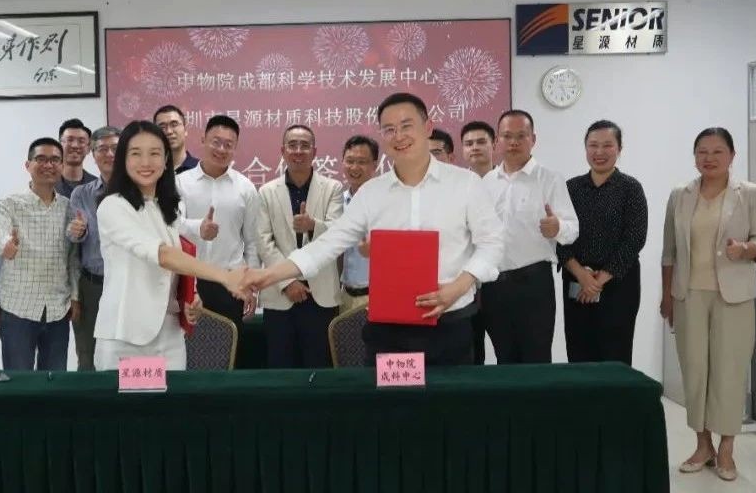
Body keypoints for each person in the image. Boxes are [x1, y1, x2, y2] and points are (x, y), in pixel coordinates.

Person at [247, 93, 504, 366]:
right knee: (388, 395)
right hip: (388, 329)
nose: (398, 136)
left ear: (428, 127)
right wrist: (269, 275)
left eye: (406, 125)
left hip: (450, 324)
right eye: (389, 129)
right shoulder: (372, 193)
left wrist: (459, 286)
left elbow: (492, 244)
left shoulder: (465, 184)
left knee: (446, 395)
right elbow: (328, 244)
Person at [93, 121, 249, 371]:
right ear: (123, 159)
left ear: (166, 159)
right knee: (130, 399)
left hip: (171, 336)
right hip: (127, 335)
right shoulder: (113, 206)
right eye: (136, 153)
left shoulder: (167, 208)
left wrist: (192, 295)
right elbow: (163, 255)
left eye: (155, 153)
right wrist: (225, 276)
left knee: (171, 398)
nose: (146, 162)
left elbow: (180, 257)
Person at [662, 127, 756, 482]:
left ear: (732, 156)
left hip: (734, 297)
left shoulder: (749, 193)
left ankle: (726, 448)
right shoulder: (680, 195)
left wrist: (747, 249)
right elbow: (669, 252)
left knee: (729, 371)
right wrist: (666, 296)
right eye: (702, 152)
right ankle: (702, 444)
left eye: (717, 152)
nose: (709, 158)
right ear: (694, 156)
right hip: (689, 295)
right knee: (694, 371)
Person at [480, 110, 578, 364]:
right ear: (497, 141)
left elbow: (573, 229)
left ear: (533, 139)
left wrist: (557, 228)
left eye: (521, 136)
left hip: (534, 284)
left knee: (537, 360)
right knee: (504, 359)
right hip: (494, 287)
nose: (513, 142)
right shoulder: (486, 182)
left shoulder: (550, 179)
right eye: (507, 136)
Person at [557, 121, 647, 365]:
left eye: (607, 145)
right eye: (593, 145)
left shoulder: (631, 189)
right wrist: (582, 276)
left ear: (619, 148)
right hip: (577, 282)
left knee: (615, 354)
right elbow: (560, 238)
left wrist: (598, 280)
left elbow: (635, 239)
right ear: (585, 148)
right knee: (579, 353)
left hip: (618, 284)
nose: (599, 152)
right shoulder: (570, 188)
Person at [0, 138, 80, 371]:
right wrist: (6, 245)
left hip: (58, 308)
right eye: (41, 159)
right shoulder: (9, 204)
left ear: (61, 166)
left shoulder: (69, 207)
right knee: (18, 382)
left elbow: (73, 258)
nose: (48, 165)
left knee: (54, 380)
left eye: (54, 160)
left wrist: (75, 296)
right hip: (18, 308)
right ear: (28, 165)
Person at [256, 124, 343, 368]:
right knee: (280, 365)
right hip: (280, 294)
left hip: (320, 294)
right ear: (282, 151)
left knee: (319, 367)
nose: (298, 151)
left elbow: (338, 234)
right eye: (292, 145)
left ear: (314, 152)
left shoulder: (333, 188)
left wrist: (313, 225)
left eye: (304, 146)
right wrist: (288, 281)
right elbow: (263, 241)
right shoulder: (266, 192)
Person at [177, 115, 261, 340]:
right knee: (188, 348)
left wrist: (251, 286)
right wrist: (199, 228)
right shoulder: (180, 183)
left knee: (227, 348)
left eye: (228, 144)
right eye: (216, 142)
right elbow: (174, 226)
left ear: (235, 148)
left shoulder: (245, 188)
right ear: (203, 140)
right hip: (189, 280)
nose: (221, 149)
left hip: (230, 284)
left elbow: (252, 242)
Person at [67, 125, 120, 371]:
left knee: (129, 353)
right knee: (88, 356)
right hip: (92, 286)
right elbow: (75, 239)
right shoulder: (81, 194)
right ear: (92, 153)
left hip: (127, 285)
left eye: (115, 148)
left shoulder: (140, 191)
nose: (109, 154)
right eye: (102, 149)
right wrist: (76, 231)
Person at [458, 120, 497, 363]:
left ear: (494, 144)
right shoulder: (456, 186)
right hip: (464, 284)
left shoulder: (508, 182)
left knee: (509, 353)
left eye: (481, 142)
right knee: (471, 353)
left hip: (502, 283)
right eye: (469, 143)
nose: (475, 148)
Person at [338, 135, 378, 312]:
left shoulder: (386, 203)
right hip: (344, 295)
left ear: (374, 166)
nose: (354, 167)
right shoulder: (337, 202)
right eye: (350, 161)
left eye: (362, 162)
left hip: (375, 296)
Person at [56, 118, 98, 198]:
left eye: (81, 141)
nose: (75, 145)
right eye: (70, 140)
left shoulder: (98, 187)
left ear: (89, 148)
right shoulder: (46, 183)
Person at [155, 105, 200, 173]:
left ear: (185, 129)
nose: (169, 131)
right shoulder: (148, 171)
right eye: (162, 127)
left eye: (174, 125)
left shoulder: (201, 169)